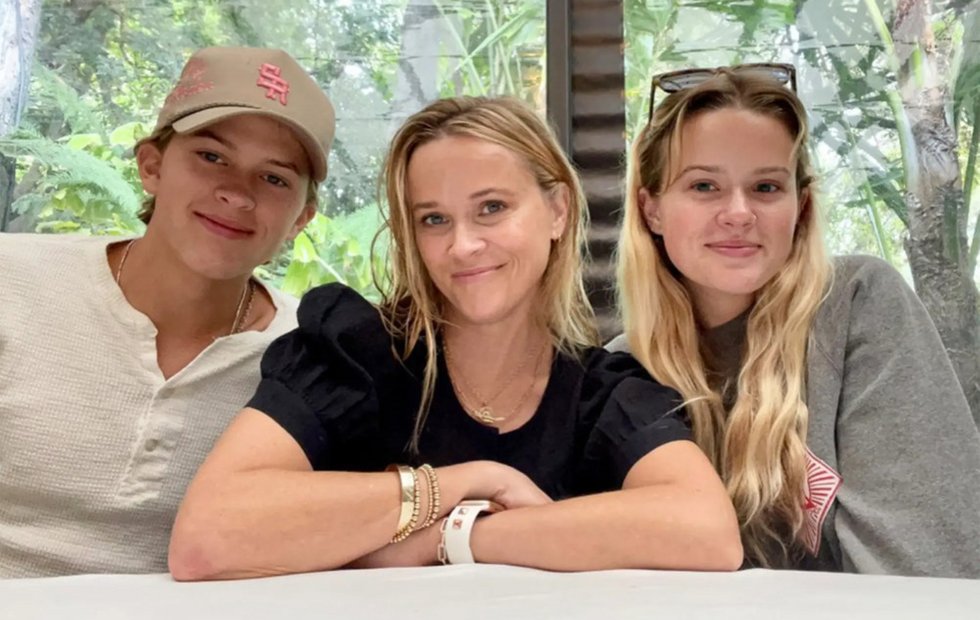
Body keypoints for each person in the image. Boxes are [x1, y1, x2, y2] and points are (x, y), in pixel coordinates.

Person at [168, 96, 742, 581]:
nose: (463, 246)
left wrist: (455, 538)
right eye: (434, 219)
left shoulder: (603, 391)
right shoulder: (355, 354)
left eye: (492, 208)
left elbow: (707, 532)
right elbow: (207, 536)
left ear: (558, 210)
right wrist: (471, 482)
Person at [609, 63, 980, 577]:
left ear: (800, 206)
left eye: (766, 187)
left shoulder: (856, 304)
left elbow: (927, 571)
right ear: (651, 209)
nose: (739, 213)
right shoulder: (621, 369)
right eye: (704, 186)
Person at [0, 46, 335, 578]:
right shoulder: (13, 281)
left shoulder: (314, 361)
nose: (237, 194)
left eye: (274, 178)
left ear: (301, 218)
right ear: (151, 166)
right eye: (211, 157)